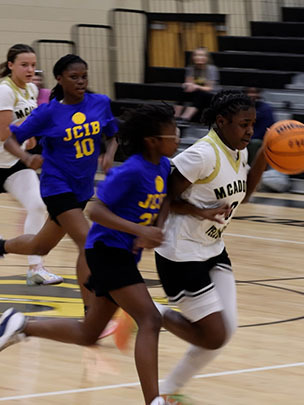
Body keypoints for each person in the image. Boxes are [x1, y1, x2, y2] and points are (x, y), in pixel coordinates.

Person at [0, 104, 178, 405]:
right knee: (149, 319)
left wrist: (156, 228)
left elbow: (166, 199)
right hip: (106, 252)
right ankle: (154, 401)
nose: (177, 138)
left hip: (122, 253)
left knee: (88, 334)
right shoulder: (131, 170)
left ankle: (19, 324)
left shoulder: (162, 166)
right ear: (152, 140)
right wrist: (139, 230)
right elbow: (96, 210)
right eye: (172, 133)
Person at [143, 90, 267, 402]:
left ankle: (169, 391)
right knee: (214, 337)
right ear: (221, 121)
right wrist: (198, 211)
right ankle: (144, 310)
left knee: (227, 330)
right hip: (180, 253)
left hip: (212, 248)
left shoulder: (238, 149)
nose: (250, 130)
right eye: (243, 124)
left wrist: (264, 155)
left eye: (253, 123)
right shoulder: (202, 155)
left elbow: (245, 195)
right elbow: (163, 197)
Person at [0, 54, 119, 309]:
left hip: (83, 188)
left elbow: (113, 135)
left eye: (84, 76)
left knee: (40, 245)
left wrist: (108, 155)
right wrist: (26, 157)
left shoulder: (100, 103)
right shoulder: (49, 112)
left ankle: (1, 246)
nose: (80, 81)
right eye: (74, 77)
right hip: (57, 186)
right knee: (87, 242)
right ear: (59, 79)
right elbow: (10, 139)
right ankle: (91, 311)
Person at [0, 44, 63, 285]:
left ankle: (35, 268)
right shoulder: (4, 91)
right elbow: (4, 134)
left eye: (33, 65)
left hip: (14, 163)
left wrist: (34, 139)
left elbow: (30, 129)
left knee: (37, 205)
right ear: (10, 65)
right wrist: (27, 141)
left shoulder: (31, 90)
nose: (30, 70)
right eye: (24, 65)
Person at [174, 47, 219, 122]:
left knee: (201, 94)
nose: (199, 57)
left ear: (206, 58)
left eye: (202, 55)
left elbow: (209, 88)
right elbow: (189, 83)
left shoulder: (211, 69)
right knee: (183, 90)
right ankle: (176, 115)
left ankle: (186, 117)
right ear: (193, 57)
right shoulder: (191, 68)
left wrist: (196, 86)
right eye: (196, 55)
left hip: (211, 95)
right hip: (197, 92)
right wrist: (187, 85)